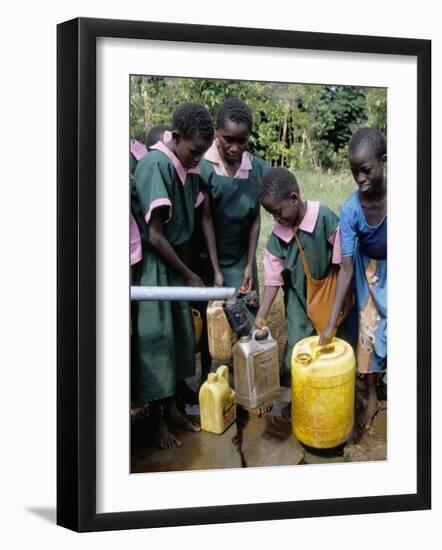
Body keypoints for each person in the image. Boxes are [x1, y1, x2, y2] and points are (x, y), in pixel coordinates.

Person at [131, 102, 222, 449]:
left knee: (178, 341)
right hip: (157, 269)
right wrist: (188, 275)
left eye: (201, 153)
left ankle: (172, 410)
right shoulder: (156, 165)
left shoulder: (189, 167)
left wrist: (188, 273)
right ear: (177, 137)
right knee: (157, 344)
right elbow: (155, 236)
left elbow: (190, 222)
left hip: (175, 267)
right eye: (194, 151)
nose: (197, 159)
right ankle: (156, 422)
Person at [255, 167, 343, 419]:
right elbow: (272, 280)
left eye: (278, 211)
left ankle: (335, 393)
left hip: (330, 291)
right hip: (297, 299)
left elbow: (342, 260)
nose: (276, 218)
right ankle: (300, 399)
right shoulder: (277, 237)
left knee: (335, 342)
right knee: (297, 347)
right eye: (271, 214)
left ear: (294, 198)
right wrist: (261, 315)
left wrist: (341, 298)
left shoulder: (324, 217)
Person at [319, 128, 387, 432]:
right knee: (368, 332)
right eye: (354, 171)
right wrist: (331, 324)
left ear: (383, 161)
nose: (360, 178)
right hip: (366, 271)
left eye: (366, 170)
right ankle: (372, 393)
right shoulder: (350, 210)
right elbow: (345, 266)